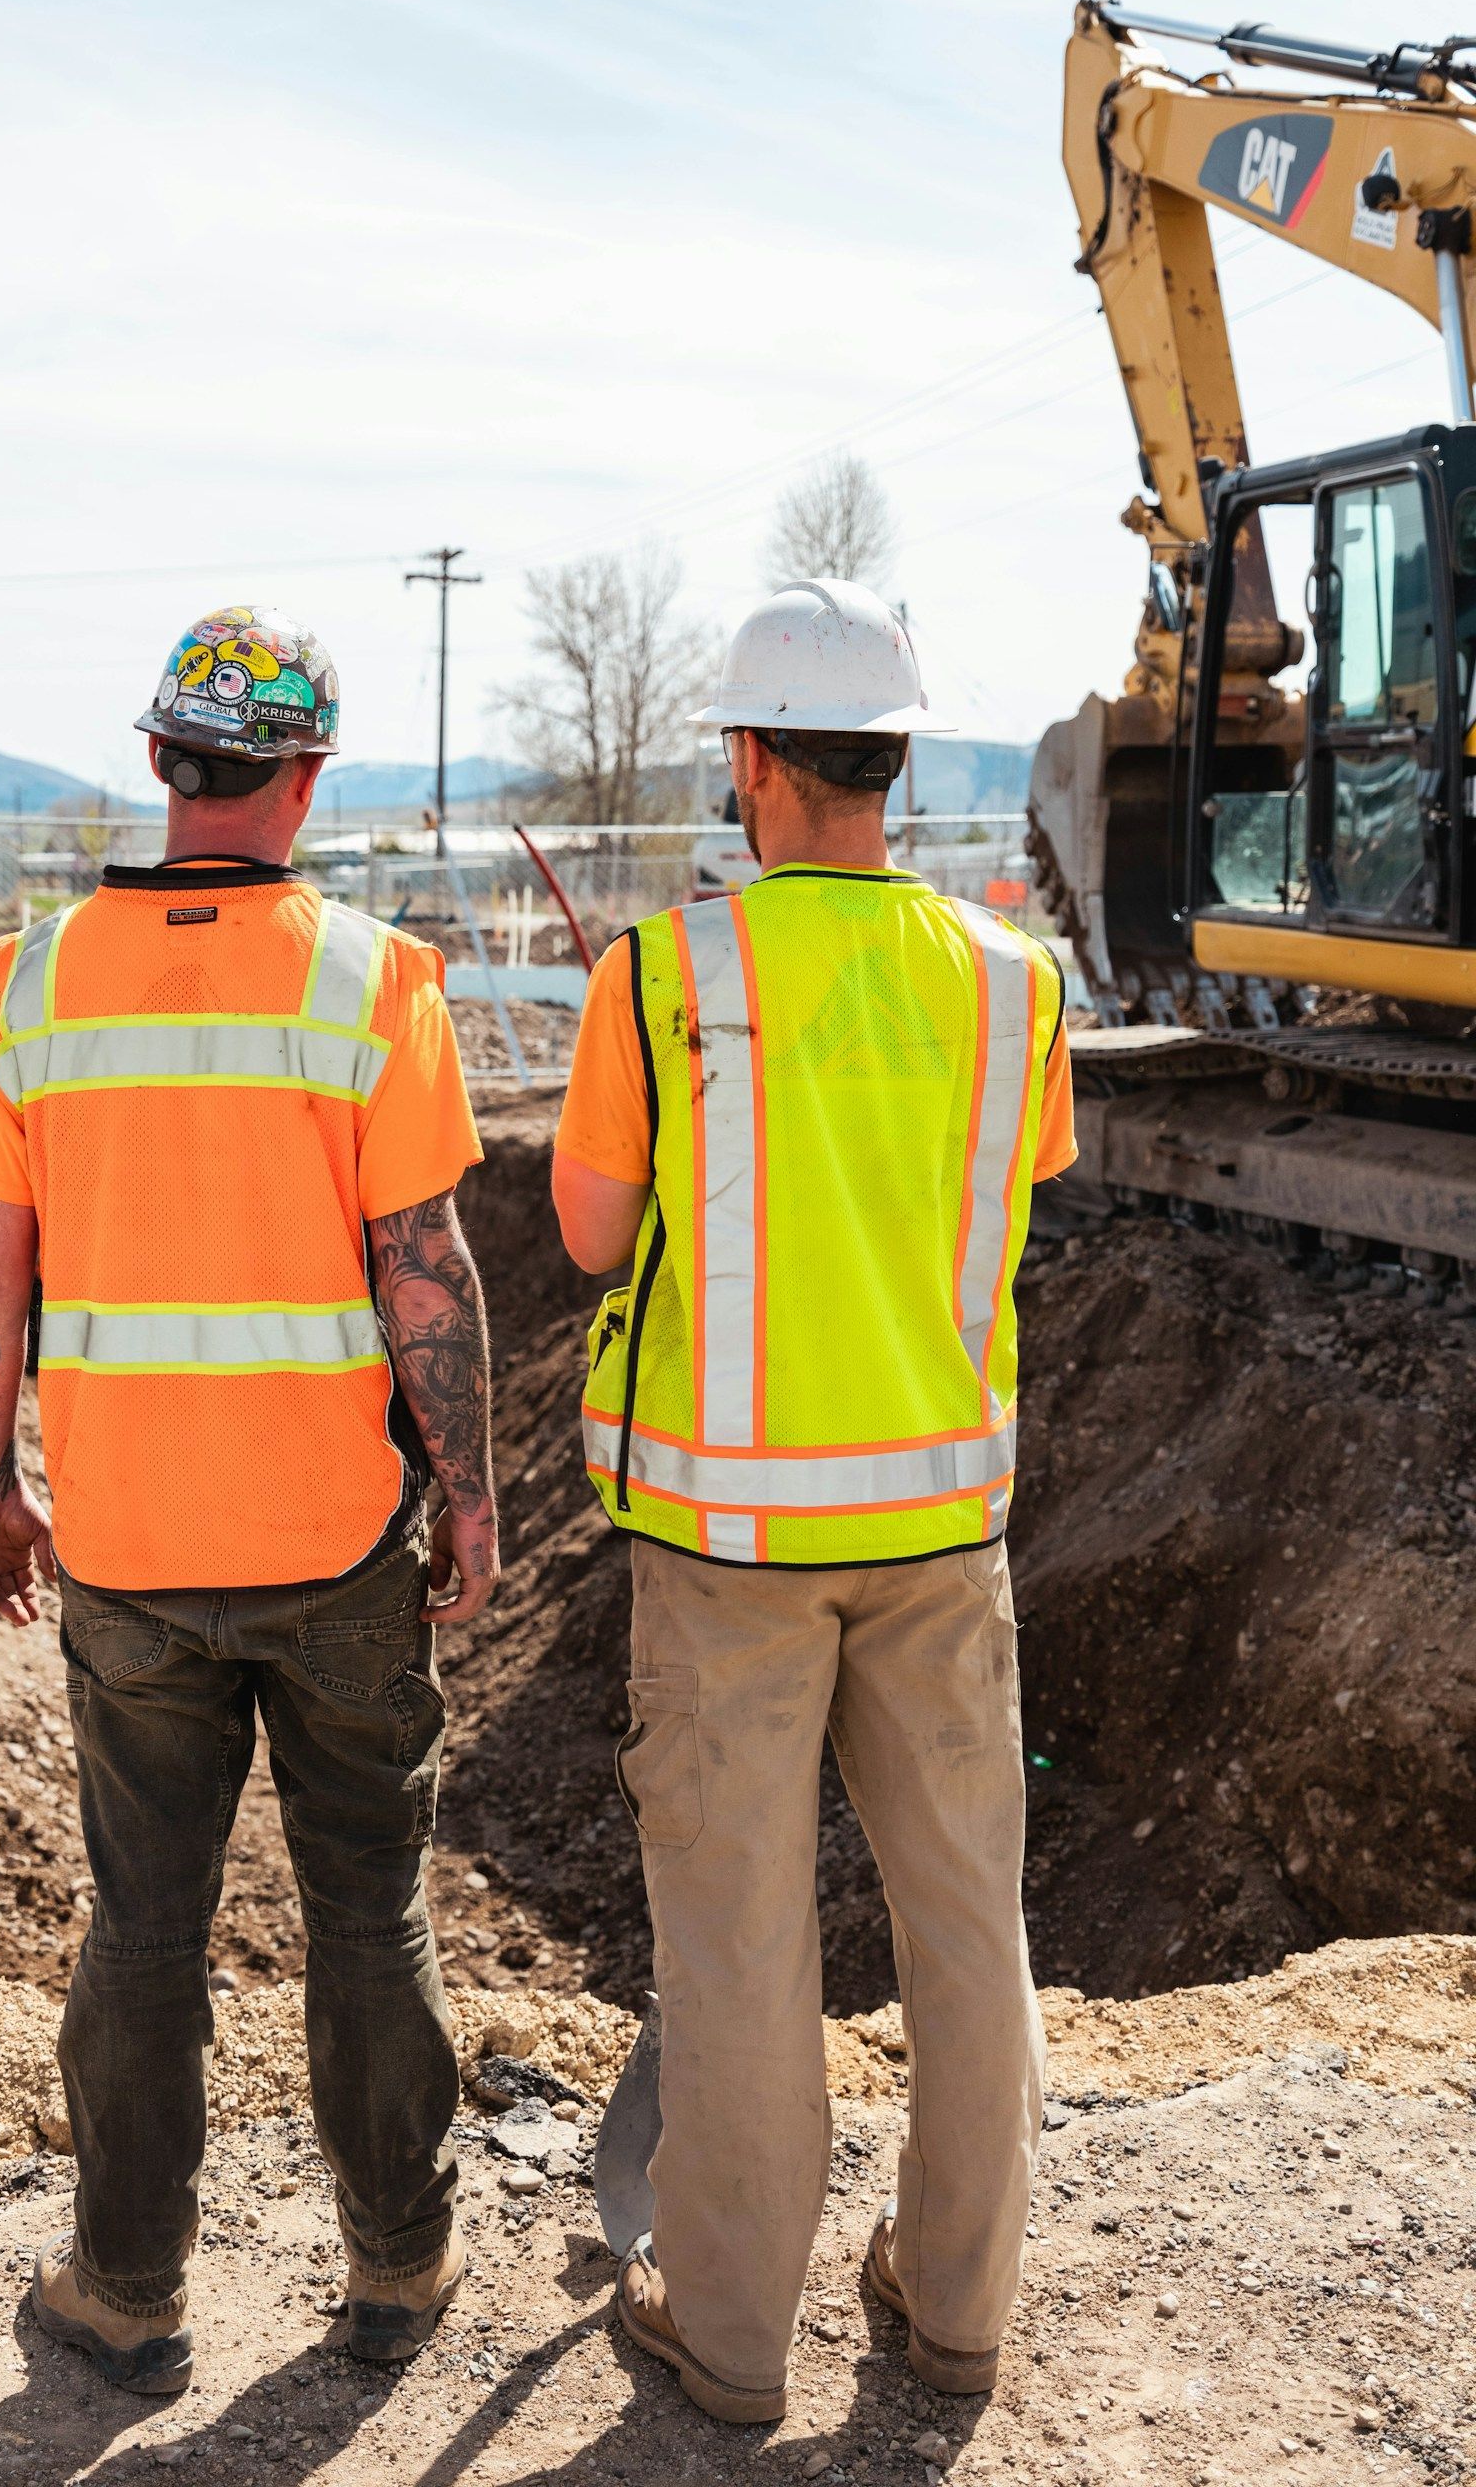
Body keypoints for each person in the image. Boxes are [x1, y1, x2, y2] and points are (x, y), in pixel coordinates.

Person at [0, 605, 498, 2395]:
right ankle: (398, 2268)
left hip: (128, 1547)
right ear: (306, 777)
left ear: (163, 761)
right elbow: (429, 1272)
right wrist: (467, 1491)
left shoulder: (31, 982)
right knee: (368, 1912)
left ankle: (122, 2290)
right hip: (336, 1540)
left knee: (144, 1927)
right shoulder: (375, 982)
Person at [552, 581, 1075, 2424]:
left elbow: (596, 1233)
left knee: (741, 1956)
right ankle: (957, 2318)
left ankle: (732, 2340)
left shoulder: (667, 976)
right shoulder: (1014, 981)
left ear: (753, 763)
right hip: (944, 1533)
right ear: (899, 757)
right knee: (967, 1935)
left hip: (730, 1549)